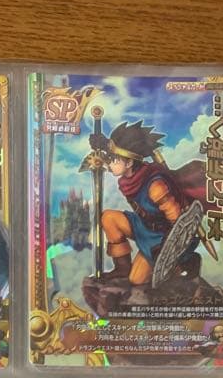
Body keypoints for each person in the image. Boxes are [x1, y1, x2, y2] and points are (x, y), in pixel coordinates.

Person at [88, 120, 206, 287]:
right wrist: (103, 143)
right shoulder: (130, 178)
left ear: (129, 163)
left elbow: (178, 223)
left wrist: (165, 250)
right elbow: (117, 149)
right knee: (108, 218)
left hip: (161, 237)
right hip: (142, 225)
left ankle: (186, 263)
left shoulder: (155, 187)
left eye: (114, 160)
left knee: (136, 280)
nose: (109, 164)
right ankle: (122, 268)